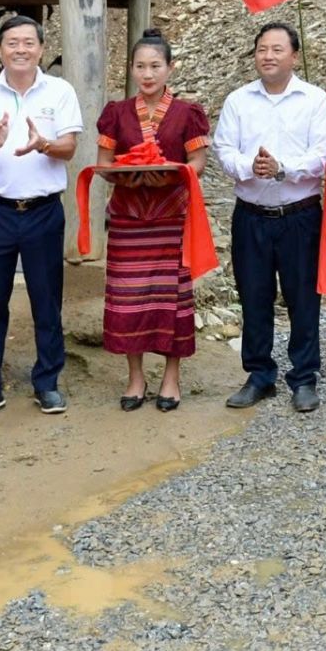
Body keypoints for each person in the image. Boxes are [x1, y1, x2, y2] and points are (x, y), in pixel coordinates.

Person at [0, 15, 82, 421]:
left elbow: (69, 149)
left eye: (29, 42)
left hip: (44, 211)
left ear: (42, 49)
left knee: (47, 301)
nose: (21, 50)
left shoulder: (60, 91)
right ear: (0, 50)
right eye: (12, 43)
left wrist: (43, 142)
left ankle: (47, 383)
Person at [214, 22, 326, 412]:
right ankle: (259, 374)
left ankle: (303, 376)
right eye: (262, 49)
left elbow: (323, 154)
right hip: (250, 214)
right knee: (254, 295)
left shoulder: (315, 100)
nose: (268, 55)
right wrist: (251, 167)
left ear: (295, 56)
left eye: (277, 49)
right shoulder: (238, 101)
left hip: (299, 214)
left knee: (303, 297)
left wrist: (282, 168)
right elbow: (223, 148)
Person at [96, 29, 211, 413]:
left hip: (172, 217)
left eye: (155, 66)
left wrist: (175, 172)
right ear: (131, 69)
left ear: (170, 68)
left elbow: (197, 162)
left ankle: (171, 377)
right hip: (129, 217)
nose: (147, 74)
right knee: (129, 298)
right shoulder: (116, 113)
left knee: (172, 299)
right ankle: (135, 377)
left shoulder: (187, 113)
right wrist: (125, 173)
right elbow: (103, 165)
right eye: (140, 66)